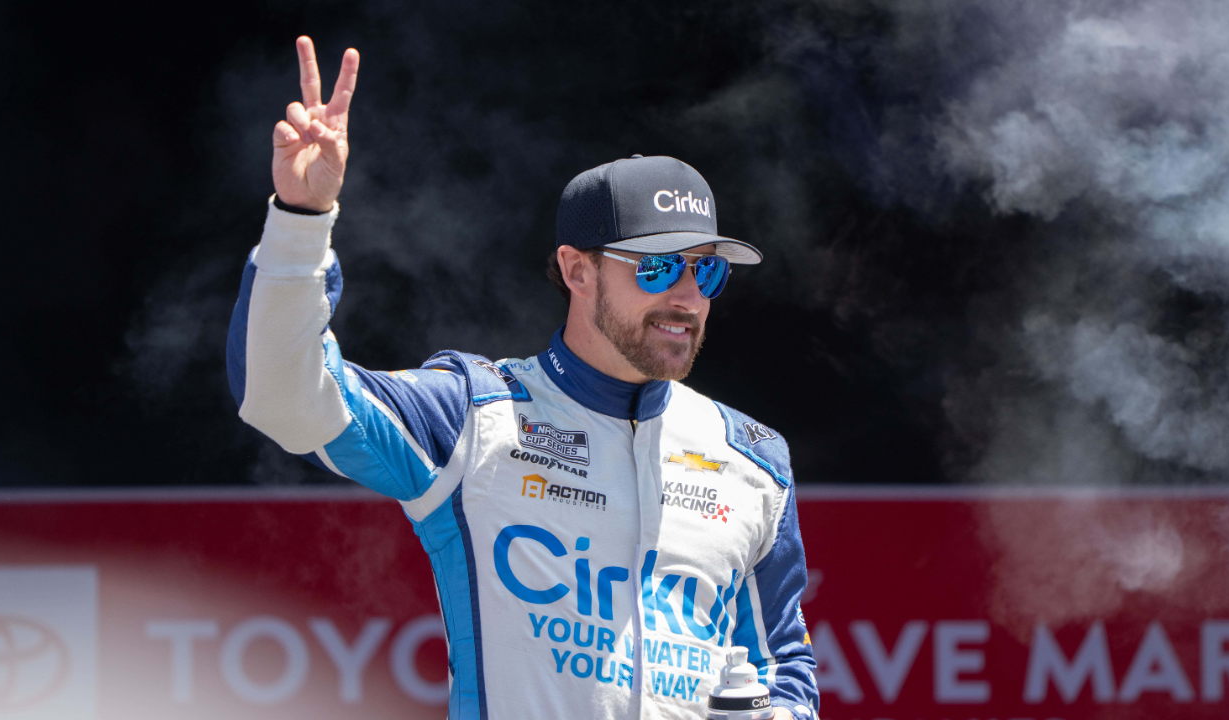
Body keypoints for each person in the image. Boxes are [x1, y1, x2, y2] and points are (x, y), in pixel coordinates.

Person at [226, 36, 819, 720]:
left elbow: (781, 665)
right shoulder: (474, 418)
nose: (687, 297)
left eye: (707, 270)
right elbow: (284, 398)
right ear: (577, 271)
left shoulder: (753, 460)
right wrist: (301, 221)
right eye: (657, 268)